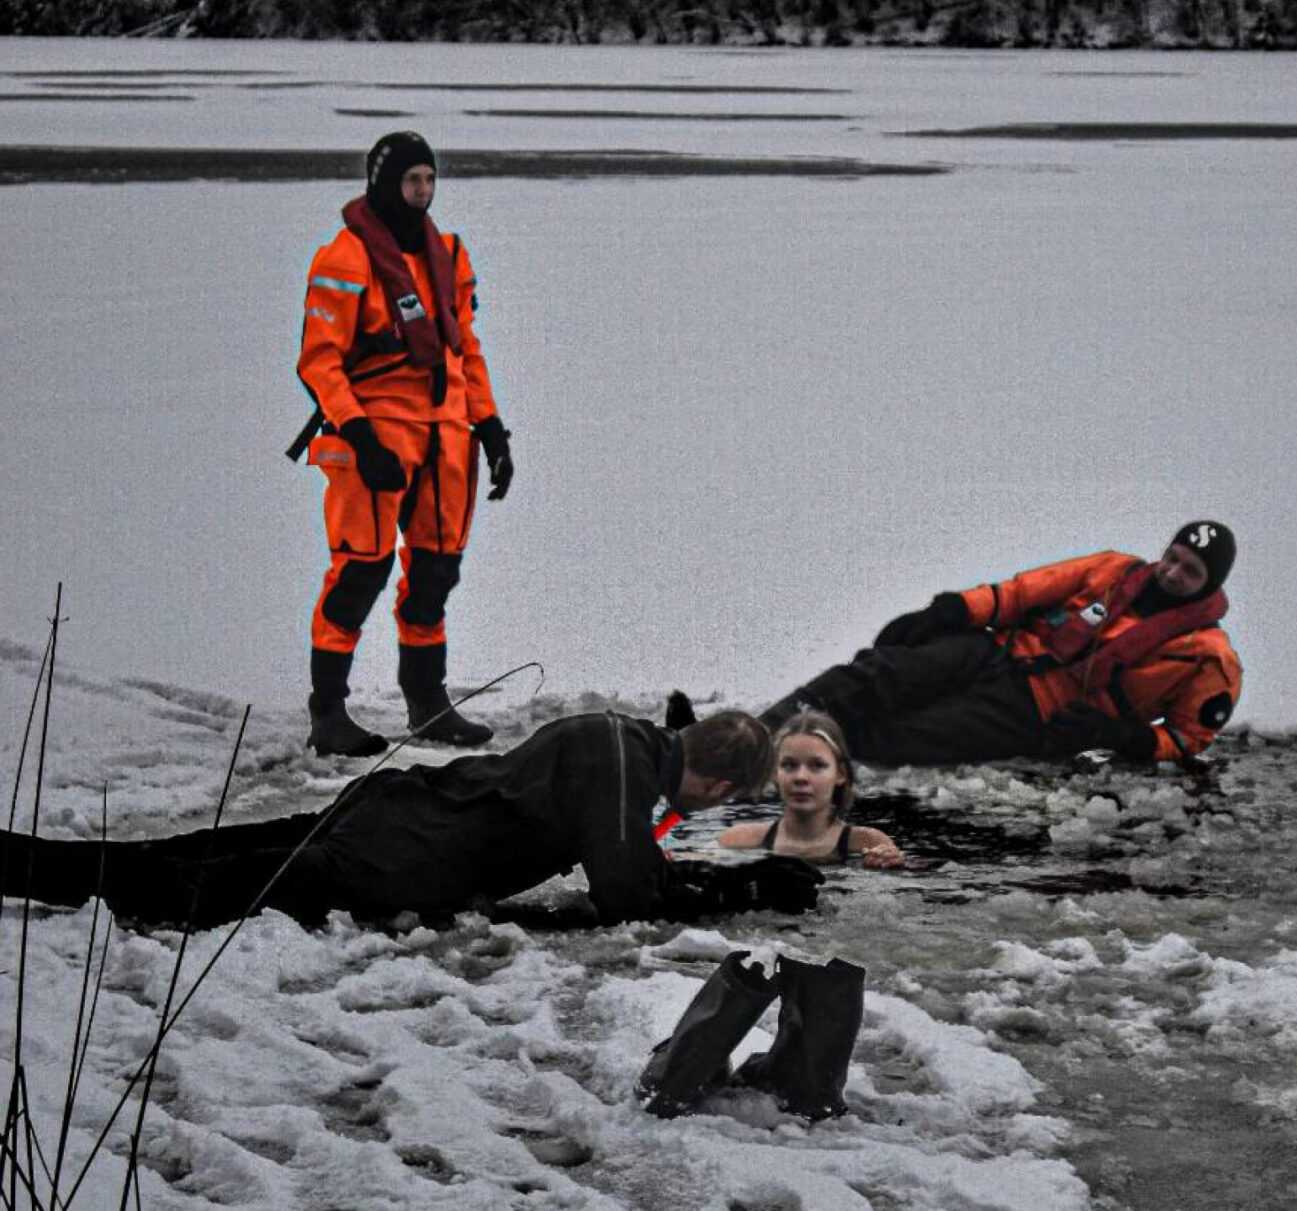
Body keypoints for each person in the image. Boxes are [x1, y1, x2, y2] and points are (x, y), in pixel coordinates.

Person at [1, 711, 823, 930]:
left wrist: (722, 875)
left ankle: (15, 859)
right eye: (719, 798)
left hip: (396, 812)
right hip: (394, 859)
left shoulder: (620, 742)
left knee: (176, 852)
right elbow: (626, 893)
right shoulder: (625, 769)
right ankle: (26, 872)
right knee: (168, 888)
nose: (705, 810)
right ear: (714, 778)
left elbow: (629, 860)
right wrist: (738, 891)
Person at [292, 131, 515, 758]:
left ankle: (427, 702)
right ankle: (328, 713)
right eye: (411, 180)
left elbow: (463, 348)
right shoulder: (344, 258)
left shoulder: (448, 253)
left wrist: (491, 429)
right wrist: (359, 435)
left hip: (446, 437)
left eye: (429, 180)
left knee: (435, 574)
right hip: (375, 434)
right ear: (384, 184)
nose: (422, 191)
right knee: (360, 571)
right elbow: (318, 362)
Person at [758, 521, 1243, 769]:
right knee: (879, 673)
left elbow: (1186, 739)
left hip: (1038, 716)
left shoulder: (1209, 659)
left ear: (1209, 584)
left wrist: (1118, 737)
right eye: (1172, 558)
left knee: (903, 737)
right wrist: (949, 610)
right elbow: (1018, 595)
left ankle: (797, 767)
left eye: (1191, 571)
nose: (1173, 574)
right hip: (997, 652)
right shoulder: (1113, 569)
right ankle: (751, 739)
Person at [718, 711, 904, 869]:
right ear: (774, 772)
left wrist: (892, 865)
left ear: (840, 773)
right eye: (789, 765)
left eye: (817, 766)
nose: (801, 777)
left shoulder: (868, 842)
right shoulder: (737, 840)